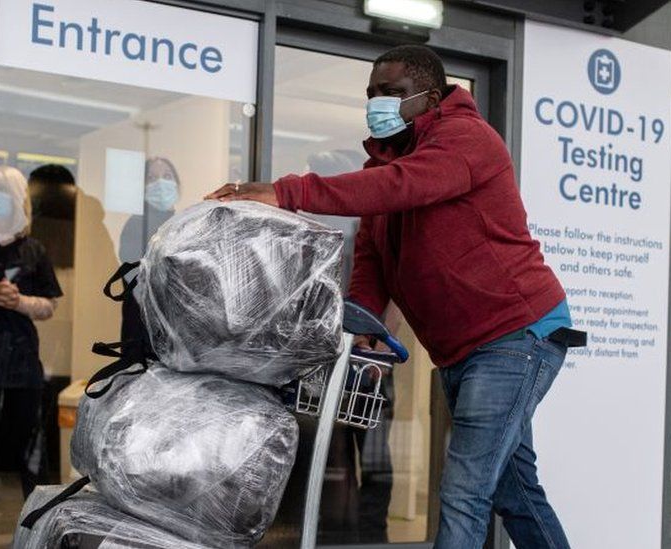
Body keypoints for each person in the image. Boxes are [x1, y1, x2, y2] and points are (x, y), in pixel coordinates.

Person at [208, 44, 574, 549]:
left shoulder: (466, 140)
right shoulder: (388, 161)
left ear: (430, 95)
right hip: (462, 348)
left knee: (465, 490)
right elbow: (373, 260)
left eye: (392, 93)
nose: (378, 104)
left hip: (517, 332)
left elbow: (400, 187)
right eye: (372, 94)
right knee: (516, 492)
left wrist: (287, 193)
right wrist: (359, 327)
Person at [0, 165, 63, 498]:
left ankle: (36, 517)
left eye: (3, 191)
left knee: (29, 442)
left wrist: (19, 302)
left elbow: (49, 305)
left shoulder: (34, 251)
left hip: (22, 360)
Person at [119, 157, 181, 263]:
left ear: (177, 184)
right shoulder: (136, 224)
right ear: (143, 186)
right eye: (151, 178)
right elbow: (131, 270)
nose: (160, 183)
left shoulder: (181, 222)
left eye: (167, 176)